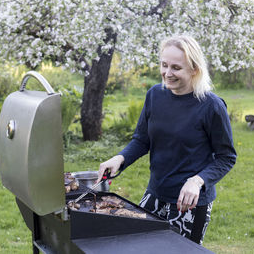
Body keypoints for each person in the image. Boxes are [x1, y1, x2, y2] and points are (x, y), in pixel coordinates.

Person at [97, 35, 236, 244]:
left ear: (194, 69)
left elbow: (226, 157)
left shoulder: (211, 106)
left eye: (176, 68)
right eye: (164, 65)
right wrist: (119, 158)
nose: (167, 73)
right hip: (156, 191)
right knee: (140, 247)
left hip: (189, 202)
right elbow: (142, 140)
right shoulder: (155, 94)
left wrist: (198, 181)